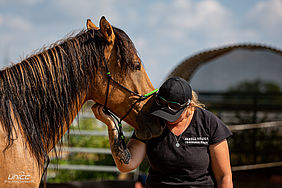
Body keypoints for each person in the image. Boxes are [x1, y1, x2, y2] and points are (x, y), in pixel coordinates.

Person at [92, 77, 233, 188]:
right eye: (162, 112)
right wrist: (112, 126)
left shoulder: (208, 123)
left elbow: (224, 177)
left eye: (172, 114)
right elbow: (126, 165)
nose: (166, 119)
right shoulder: (151, 122)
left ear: (189, 106)